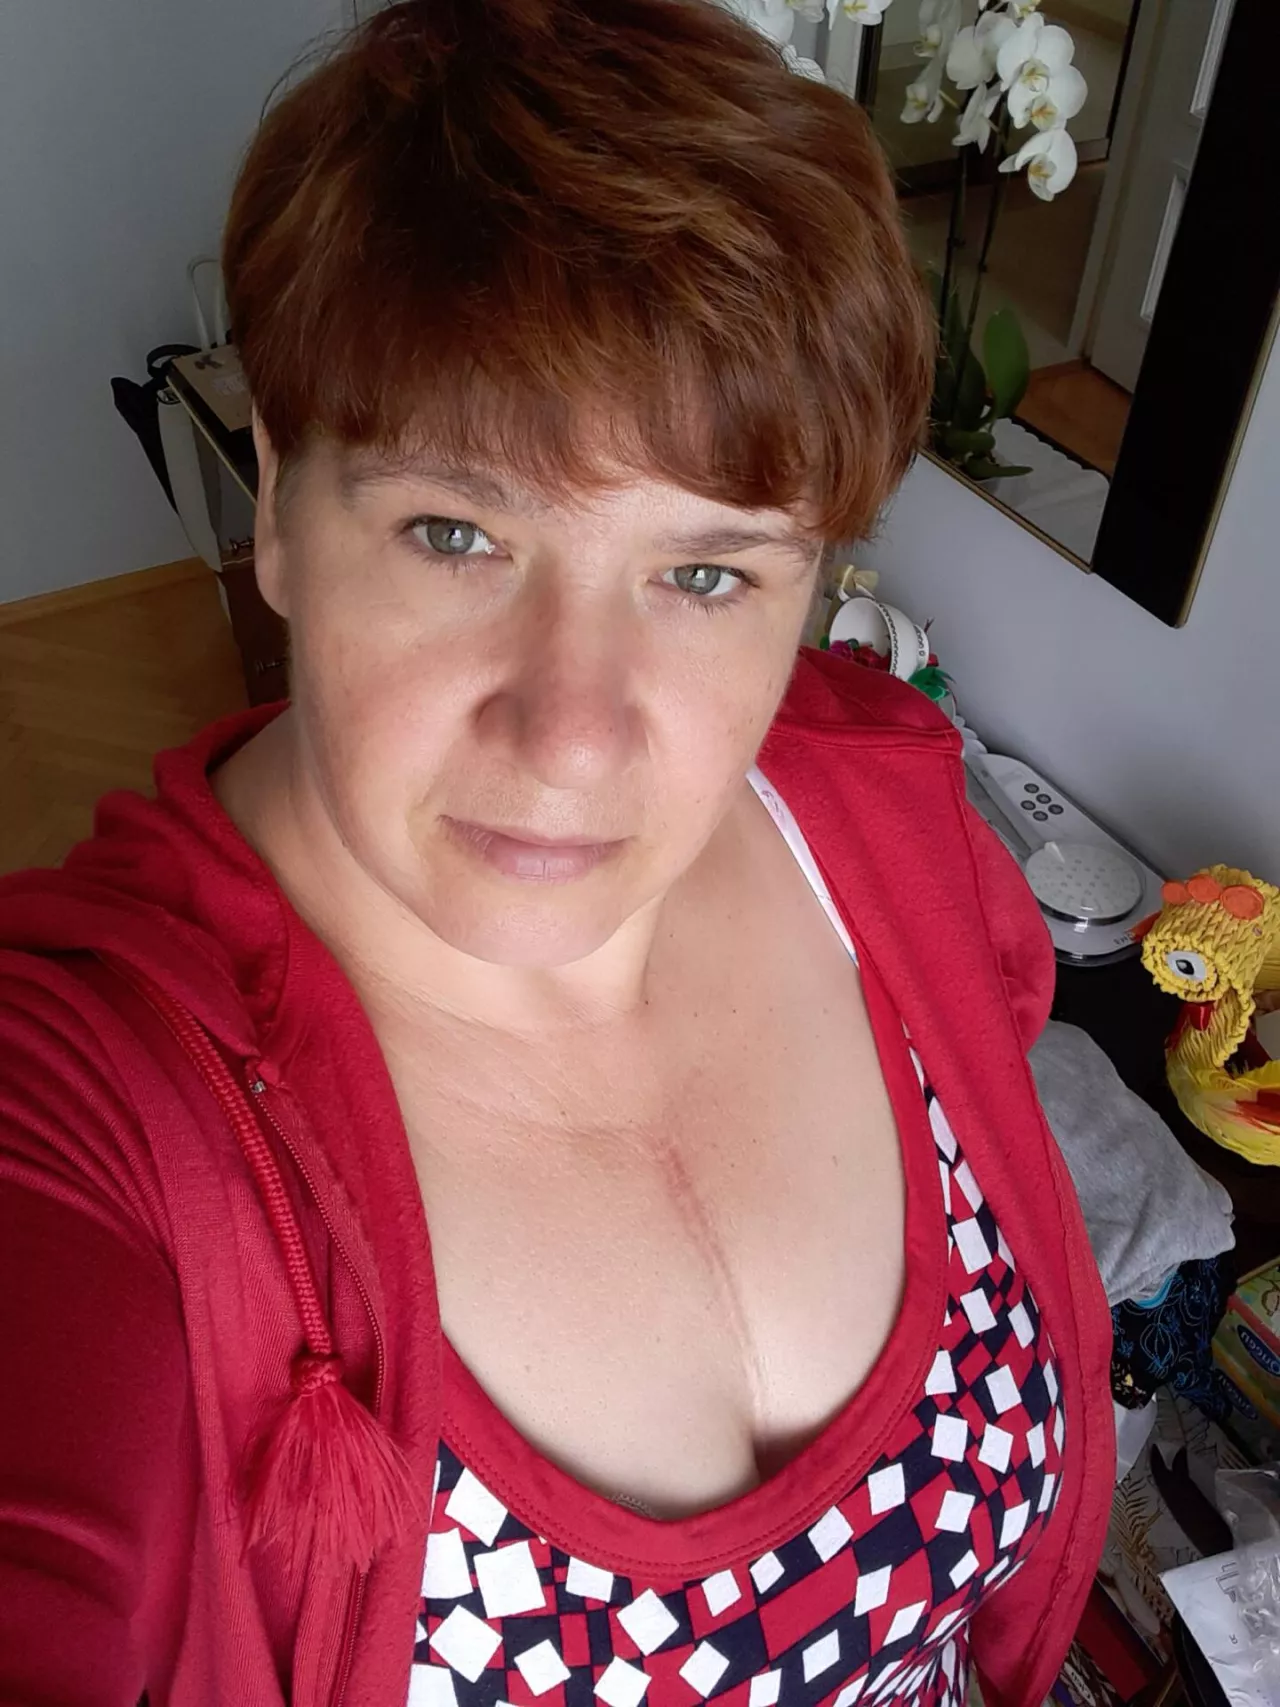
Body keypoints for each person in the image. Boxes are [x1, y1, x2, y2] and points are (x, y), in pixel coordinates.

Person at [0, 1, 1112, 1702]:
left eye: (706, 572)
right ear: (277, 502)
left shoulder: (886, 824)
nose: (575, 733)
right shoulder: (94, 1106)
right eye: (456, 531)